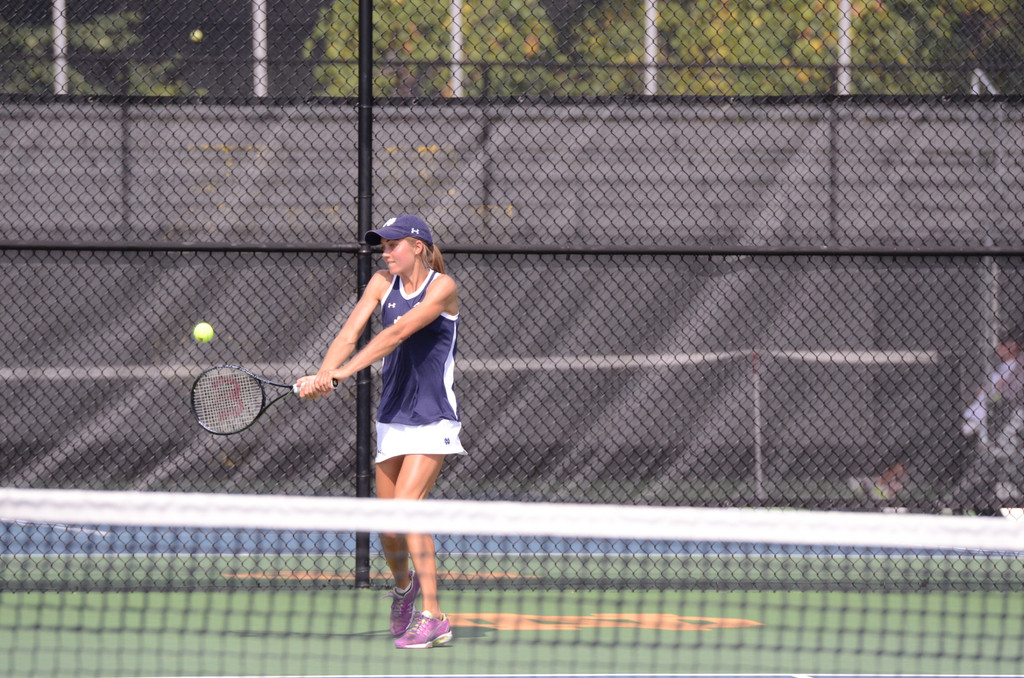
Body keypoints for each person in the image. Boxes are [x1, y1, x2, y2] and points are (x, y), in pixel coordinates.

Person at [297, 214, 465, 649]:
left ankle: (435, 616)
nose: (385, 253)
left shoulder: (442, 288)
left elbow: (399, 332)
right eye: (382, 246)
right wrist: (322, 375)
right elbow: (350, 333)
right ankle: (404, 587)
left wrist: (341, 374)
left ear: (418, 246)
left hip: (433, 416)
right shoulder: (379, 284)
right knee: (389, 525)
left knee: (408, 510)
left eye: (392, 245)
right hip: (393, 418)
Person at [937, 328, 1024, 515]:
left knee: (987, 466)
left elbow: (1008, 397)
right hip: (978, 418)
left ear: (1013, 346)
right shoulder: (999, 368)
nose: (998, 348)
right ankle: (962, 503)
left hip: (996, 423)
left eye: (1002, 344)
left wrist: (996, 392)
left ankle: (955, 503)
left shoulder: (1018, 368)